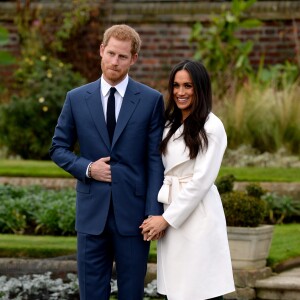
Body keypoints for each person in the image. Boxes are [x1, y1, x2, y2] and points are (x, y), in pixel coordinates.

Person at [49, 24, 165, 300]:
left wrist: (152, 211)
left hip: (135, 217)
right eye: (111, 53)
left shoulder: (151, 100)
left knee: (131, 295)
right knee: (91, 295)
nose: (115, 61)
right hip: (91, 216)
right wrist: (88, 168)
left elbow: (154, 160)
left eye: (122, 56)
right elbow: (57, 148)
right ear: (101, 51)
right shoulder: (76, 98)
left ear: (133, 58)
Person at [140, 60, 235, 300]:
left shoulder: (212, 126)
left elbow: (201, 181)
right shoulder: (169, 124)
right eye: (176, 85)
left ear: (200, 89)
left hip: (198, 215)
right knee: (178, 290)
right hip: (171, 208)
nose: (180, 92)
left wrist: (166, 220)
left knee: (201, 287)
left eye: (188, 86)